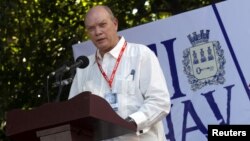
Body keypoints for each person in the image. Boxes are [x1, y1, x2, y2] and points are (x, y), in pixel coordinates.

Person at [68, 5, 171, 141]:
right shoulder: (84, 67)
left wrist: (130, 123)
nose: (97, 32)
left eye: (102, 25)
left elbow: (160, 101)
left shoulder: (140, 54)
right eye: (91, 28)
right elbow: (73, 113)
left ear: (115, 24)